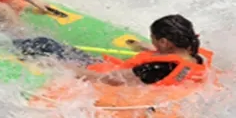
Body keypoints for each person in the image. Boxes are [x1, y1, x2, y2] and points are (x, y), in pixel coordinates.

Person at [16, 14, 214, 87]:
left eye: (154, 39)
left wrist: (61, 68)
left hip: (101, 69)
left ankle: (5, 45)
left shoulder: (155, 68)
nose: (152, 42)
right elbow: (171, 59)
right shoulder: (195, 56)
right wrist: (152, 50)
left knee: (44, 45)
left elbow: (112, 79)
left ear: (164, 42)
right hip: (160, 64)